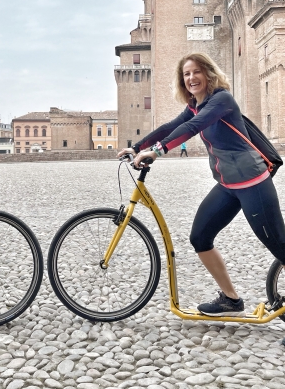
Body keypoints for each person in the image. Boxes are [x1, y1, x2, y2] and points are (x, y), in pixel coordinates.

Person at [118, 52, 285, 317]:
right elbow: (170, 126)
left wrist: (157, 151)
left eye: (196, 71)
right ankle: (231, 301)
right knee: (200, 237)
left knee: (279, 245)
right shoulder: (195, 105)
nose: (191, 77)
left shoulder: (222, 100)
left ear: (208, 74)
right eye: (186, 74)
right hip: (228, 185)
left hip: (253, 183)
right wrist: (137, 146)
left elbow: (195, 126)